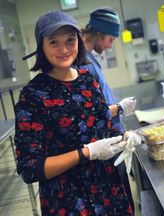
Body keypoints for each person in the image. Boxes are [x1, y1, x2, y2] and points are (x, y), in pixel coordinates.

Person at [14, 10, 140, 215]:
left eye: (70, 40)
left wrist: (122, 139)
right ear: (41, 46)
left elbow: (99, 127)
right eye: (53, 42)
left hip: (109, 191)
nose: (63, 49)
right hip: (69, 200)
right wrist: (86, 153)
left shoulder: (87, 80)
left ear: (78, 42)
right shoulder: (33, 95)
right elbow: (29, 168)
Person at [79, 7, 136, 213]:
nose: (111, 45)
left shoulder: (90, 58)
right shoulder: (81, 62)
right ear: (100, 33)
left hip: (112, 138)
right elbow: (92, 113)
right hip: (103, 146)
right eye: (111, 39)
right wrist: (120, 108)